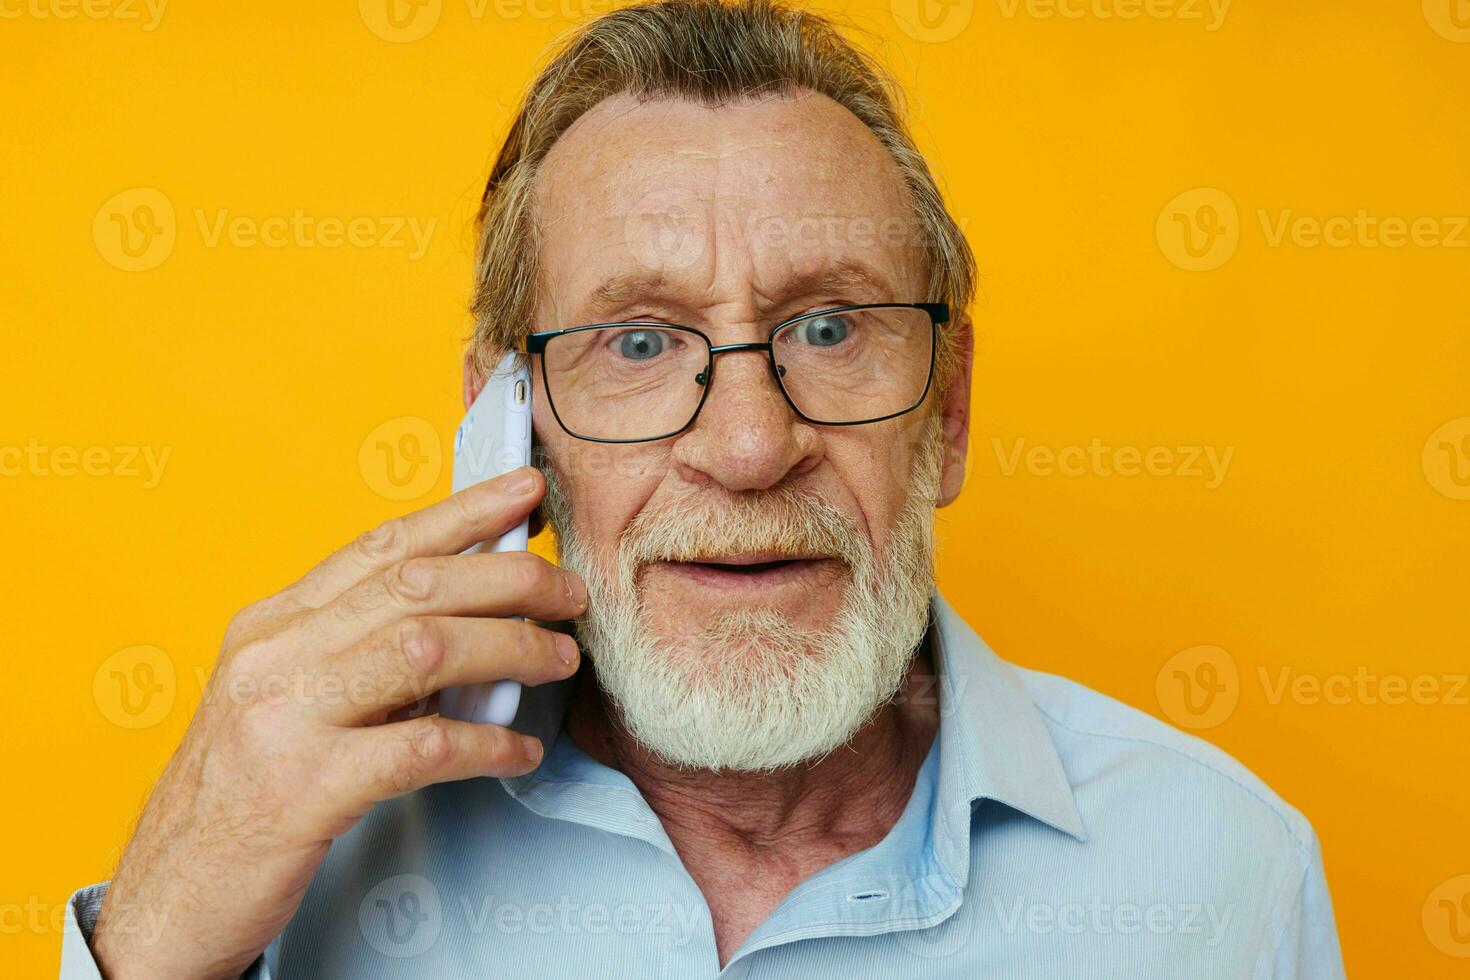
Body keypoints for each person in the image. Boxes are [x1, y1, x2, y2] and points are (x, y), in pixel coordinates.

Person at [63, 1, 1345, 976]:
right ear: (508, 426)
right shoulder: (305, 859)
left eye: (832, 329)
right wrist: (161, 924)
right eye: (637, 341)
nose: (747, 445)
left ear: (947, 413)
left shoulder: (1221, 869)